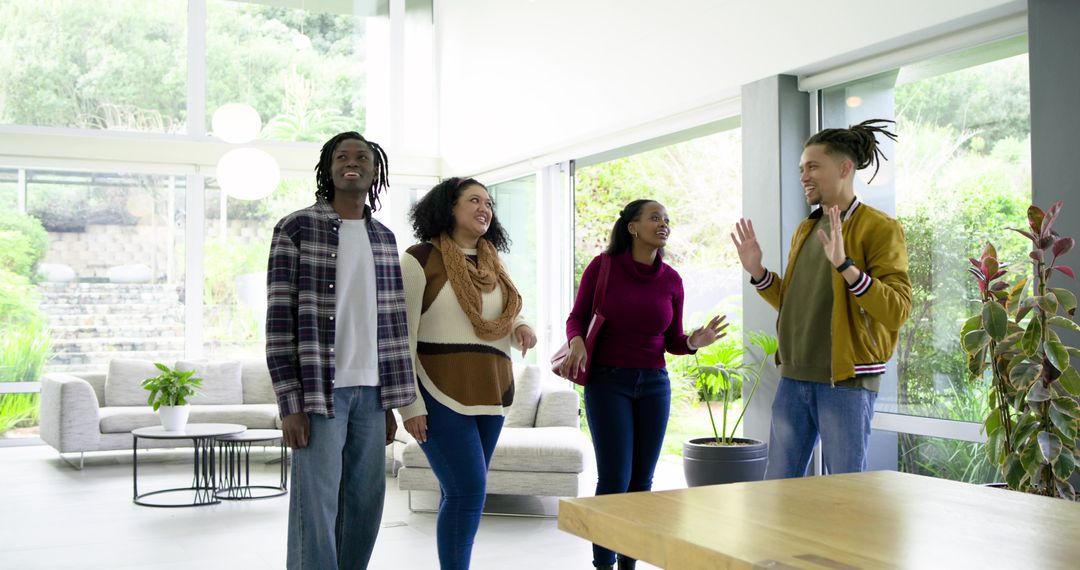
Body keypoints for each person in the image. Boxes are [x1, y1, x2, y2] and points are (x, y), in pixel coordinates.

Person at [265, 131, 416, 569]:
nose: (352, 162)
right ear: (328, 169)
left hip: (371, 395)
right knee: (317, 507)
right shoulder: (295, 228)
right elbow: (279, 322)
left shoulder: (386, 239)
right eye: (342, 156)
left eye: (362, 157)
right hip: (317, 394)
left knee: (366, 504)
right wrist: (288, 404)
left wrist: (390, 404)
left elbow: (392, 326)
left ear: (375, 170)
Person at [730, 119, 911, 479]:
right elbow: (797, 301)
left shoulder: (880, 228)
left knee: (845, 494)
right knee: (778, 489)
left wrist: (846, 266)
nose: (803, 176)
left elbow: (897, 309)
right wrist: (758, 273)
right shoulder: (806, 228)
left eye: (813, 166)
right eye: (801, 168)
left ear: (845, 169)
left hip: (846, 382)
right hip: (794, 377)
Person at [560, 199, 726, 570]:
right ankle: (603, 563)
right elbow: (577, 317)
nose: (663, 224)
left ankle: (629, 565)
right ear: (633, 227)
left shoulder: (671, 279)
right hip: (607, 382)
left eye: (667, 219)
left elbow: (673, 341)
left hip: (653, 384)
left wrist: (694, 343)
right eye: (655, 218)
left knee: (641, 482)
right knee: (615, 478)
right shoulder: (603, 267)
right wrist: (576, 341)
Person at [399, 177, 537, 570]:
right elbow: (400, 334)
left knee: (459, 492)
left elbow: (504, 310)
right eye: (474, 200)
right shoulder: (418, 258)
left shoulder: (493, 260)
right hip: (437, 391)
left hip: (493, 390)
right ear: (449, 207)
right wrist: (408, 406)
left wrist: (521, 327)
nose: (485, 208)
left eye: (489, 202)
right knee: (468, 491)